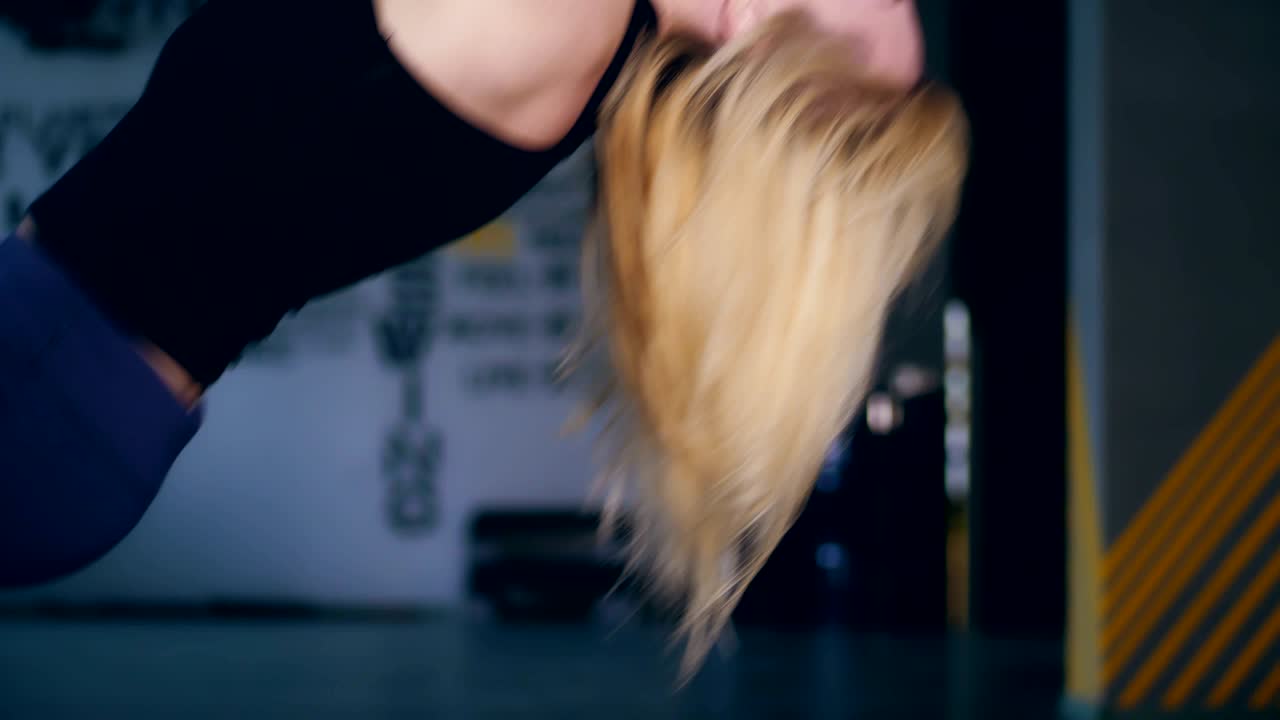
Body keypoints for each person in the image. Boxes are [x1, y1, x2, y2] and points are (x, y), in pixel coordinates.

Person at [0, 0, 940, 651]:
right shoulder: (586, 56)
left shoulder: (561, 21)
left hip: (42, 389)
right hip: (68, 403)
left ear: (756, 27)